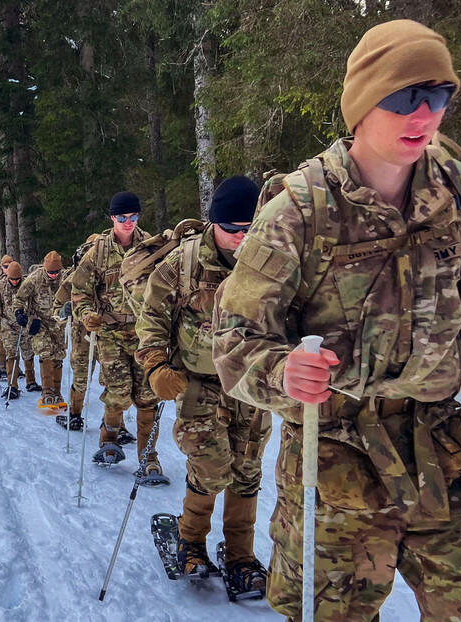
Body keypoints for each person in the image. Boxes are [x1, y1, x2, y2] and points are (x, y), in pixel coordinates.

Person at [213, 20, 461, 620]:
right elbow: (234, 341)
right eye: (407, 97)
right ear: (362, 101)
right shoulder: (297, 212)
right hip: (332, 460)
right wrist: (283, 373)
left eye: (441, 96)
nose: (425, 114)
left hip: (445, 450)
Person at [135, 176, 270, 589]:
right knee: (212, 467)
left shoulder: (270, 257)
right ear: (214, 224)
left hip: (250, 382)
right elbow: (152, 317)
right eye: (232, 229)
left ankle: (240, 553)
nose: (241, 238)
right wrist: (156, 366)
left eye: (250, 228)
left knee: (247, 469)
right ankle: (190, 540)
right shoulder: (183, 263)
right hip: (198, 381)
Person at [72, 191, 159, 470]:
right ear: (112, 218)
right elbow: (80, 291)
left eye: (133, 217)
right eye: (122, 217)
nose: (128, 222)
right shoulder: (97, 252)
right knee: (119, 393)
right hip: (110, 333)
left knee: (148, 396)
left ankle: (149, 458)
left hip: (145, 332)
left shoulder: (151, 247)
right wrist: (87, 315)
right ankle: (108, 440)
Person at [55, 235, 100, 430]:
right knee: (81, 376)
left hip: (111, 332)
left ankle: (115, 424)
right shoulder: (74, 279)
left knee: (115, 381)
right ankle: (75, 414)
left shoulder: (118, 275)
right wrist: (64, 310)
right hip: (82, 334)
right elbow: (56, 308)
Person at [14, 251, 67, 408]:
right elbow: (19, 298)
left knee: (58, 355)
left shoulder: (65, 278)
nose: (53, 275)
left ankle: (57, 391)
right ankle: (47, 392)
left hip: (58, 322)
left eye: (56, 272)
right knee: (45, 351)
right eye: (50, 272)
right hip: (39, 321)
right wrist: (19, 313)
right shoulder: (34, 279)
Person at [0, 261, 36, 399]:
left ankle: (31, 381)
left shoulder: (27, 285)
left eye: (17, 279)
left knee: (28, 353)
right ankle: (12, 386)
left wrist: (34, 320)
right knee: (12, 354)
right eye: (12, 279)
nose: (14, 281)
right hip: (7, 325)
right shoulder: (0, 286)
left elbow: (36, 304)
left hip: (24, 324)